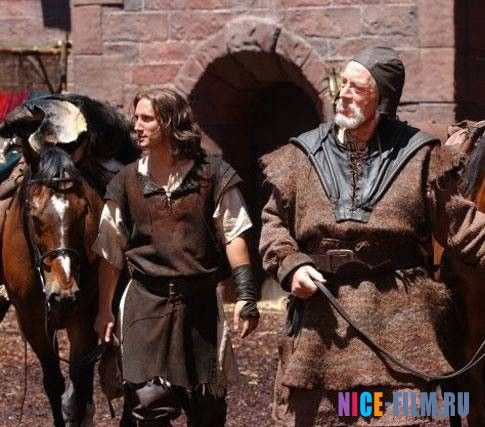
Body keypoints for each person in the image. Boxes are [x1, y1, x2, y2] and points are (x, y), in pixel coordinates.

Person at [259, 46, 485, 426]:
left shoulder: (420, 155)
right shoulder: (302, 155)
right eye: (343, 84)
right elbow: (273, 222)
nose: (343, 95)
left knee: (398, 417)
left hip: (399, 323)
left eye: (357, 88)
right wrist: (290, 264)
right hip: (323, 320)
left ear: (383, 100)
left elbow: (461, 226)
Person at [93, 88, 259, 427]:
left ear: (170, 123)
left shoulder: (212, 174)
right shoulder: (126, 182)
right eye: (136, 118)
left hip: (199, 308)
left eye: (146, 119)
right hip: (145, 304)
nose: (136, 126)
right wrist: (104, 309)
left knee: (207, 410)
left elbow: (234, 234)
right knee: (148, 406)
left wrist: (246, 294)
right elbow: (111, 251)